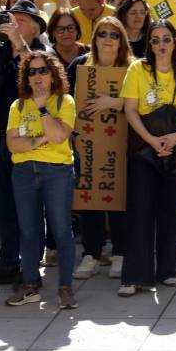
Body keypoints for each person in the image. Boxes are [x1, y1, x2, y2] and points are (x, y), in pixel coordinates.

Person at [0, 0, 50, 288]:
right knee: (2, 205)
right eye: (10, 18)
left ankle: (30, 267)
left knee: (27, 205)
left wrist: (18, 42)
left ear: (35, 27)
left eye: (21, 20)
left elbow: (37, 78)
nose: (13, 23)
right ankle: (8, 263)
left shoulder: (40, 51)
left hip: (28, 140)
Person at [118, 20, 176, 295]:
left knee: (171, 212)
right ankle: (135, 275)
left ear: (175, 42)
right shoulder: (137, 69)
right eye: (155, 40)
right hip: (143, 149)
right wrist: (151, 140)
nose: (161, 45)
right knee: (140, 210)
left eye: (166, 39)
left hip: (175, 149)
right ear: (149, 44)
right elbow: (130, 110)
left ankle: (169, 270)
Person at [5, 50, 78, 310]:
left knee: (61, 229)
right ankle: (30, 285)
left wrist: (43, 110)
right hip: (24, 171)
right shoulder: (18, 105)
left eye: (42, 71)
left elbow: (60, 137)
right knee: (29, 230)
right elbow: (13, 144)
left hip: (57, 171)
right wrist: (41, 138)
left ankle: (65, 287)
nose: (37, 77)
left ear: (53, 74)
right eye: (32, 72)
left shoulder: (65, 101)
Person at [66, 16, 130, 282]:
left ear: (121, 41)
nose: (107, 39)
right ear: (94, 39)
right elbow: (67, 99)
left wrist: (112, 103)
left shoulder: (133, 68)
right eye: (102, 34)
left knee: (118, 197)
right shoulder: (80, 66)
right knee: (90, 194)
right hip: (87, 143)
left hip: (123, 144)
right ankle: (91, 253)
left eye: (114, 35)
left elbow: (142, 106)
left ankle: (120, 252)